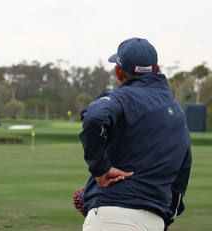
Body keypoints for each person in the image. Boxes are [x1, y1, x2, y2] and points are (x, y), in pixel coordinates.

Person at [78, 38, 192, 231]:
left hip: (111, 215)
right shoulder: (177, 112)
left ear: (118, 71)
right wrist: (166, 218)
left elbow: (95, 117)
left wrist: (101, 169)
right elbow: (182, 173)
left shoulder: (119, 98)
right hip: (156, 220)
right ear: (156, 70)